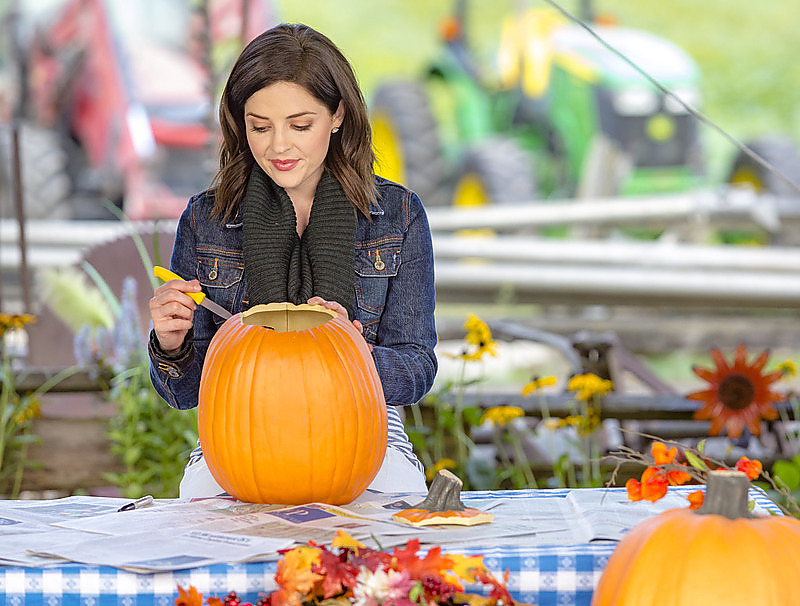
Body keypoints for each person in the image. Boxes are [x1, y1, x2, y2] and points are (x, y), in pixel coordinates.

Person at [147, 23, 437, 498]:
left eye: (300, 125)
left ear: (338, 114)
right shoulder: (207, 219)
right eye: (260, 126)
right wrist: (171, 342)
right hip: (239, 429)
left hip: (364, 427)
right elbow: (184, 394)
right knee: (202, 502)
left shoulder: (399, 217)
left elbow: (418, 367)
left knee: (394, 508)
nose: (278, 145)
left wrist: (353, 354)